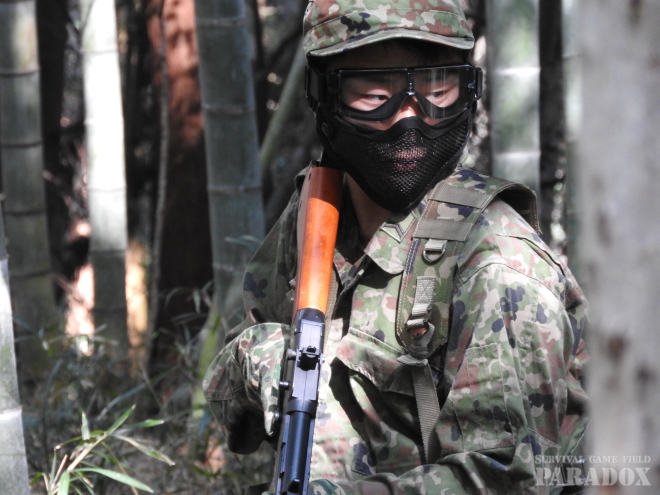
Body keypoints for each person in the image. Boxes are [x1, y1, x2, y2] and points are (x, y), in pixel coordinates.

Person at [203, 0, 589, 493]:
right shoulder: (319, 214)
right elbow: (227, 397)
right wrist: (258, 355)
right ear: (324, 94)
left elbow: (510, 479)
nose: (409, 117)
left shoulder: (498, 261)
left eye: (436, 89)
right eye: (375, 93)